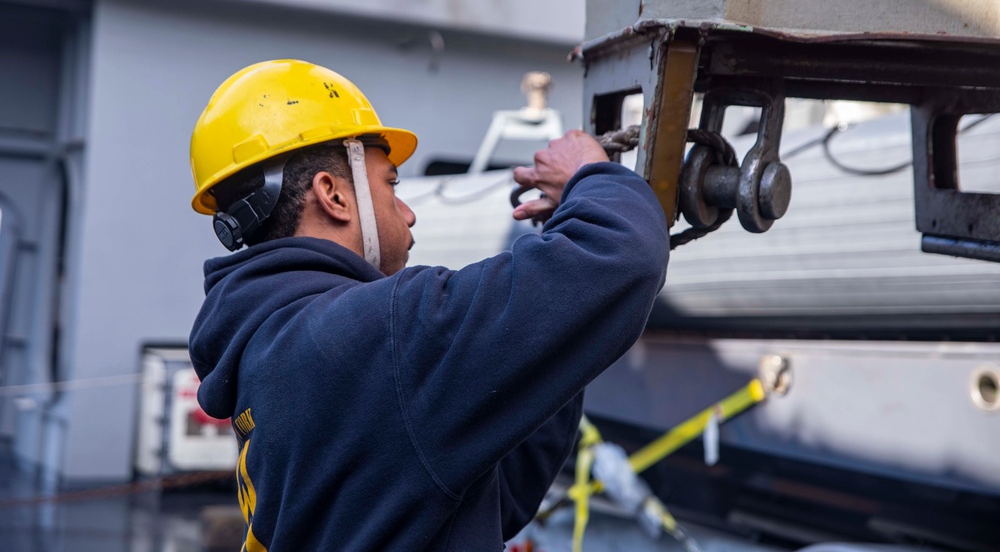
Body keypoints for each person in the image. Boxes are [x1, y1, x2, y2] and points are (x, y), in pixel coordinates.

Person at [188, 59, 668, 551]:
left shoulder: (269, 346)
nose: (409, 210)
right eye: (391, 184)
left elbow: (488, 496)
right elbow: (621, 254)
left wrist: (561, 338)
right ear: (333, 195)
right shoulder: (373, 336)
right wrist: (591, 176)